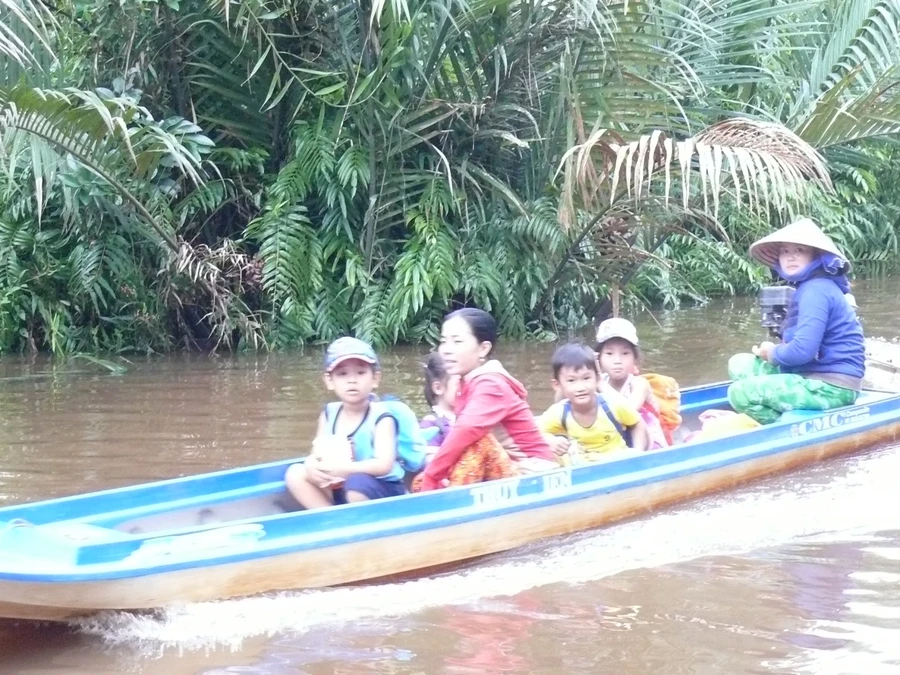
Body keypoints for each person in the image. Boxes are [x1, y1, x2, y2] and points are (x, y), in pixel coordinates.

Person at [727, 217, 865, 424]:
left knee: (740, 393)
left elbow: (802, 351)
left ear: (816, 257)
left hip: (832, 387)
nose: (790, 257)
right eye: (785, 251)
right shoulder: (810, 287)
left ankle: (781, 427)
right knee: (739, 364)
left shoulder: (816, 290)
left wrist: (771, 353)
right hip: (810, 373)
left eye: (799, 250)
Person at [418, 308, 559, 491]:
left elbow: (466, 430)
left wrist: (433, 474)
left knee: (477, 441)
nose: (446, 350)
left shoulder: (491, 384)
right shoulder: (465, 382)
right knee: (419, 480)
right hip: (505, 468)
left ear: (483, 348)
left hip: (533, 472)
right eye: (444, 342)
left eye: (457, 342)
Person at [284, 337, 407, 508]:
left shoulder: (382, 417)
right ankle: (331, 518)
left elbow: (384, 465)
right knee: (295, 473)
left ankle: (355, 521)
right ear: (329, 381)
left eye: (360, 373)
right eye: (342, 374)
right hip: (340, 483)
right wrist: (312, 465)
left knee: (356, 484)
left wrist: (346, 468)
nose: (352, 380)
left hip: (379, 489)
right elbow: (317, 452)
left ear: (375, 379)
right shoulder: (329, 413)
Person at [412, 351, 516, 491]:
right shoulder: (431, 424)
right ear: (438, 388)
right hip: (449, 482)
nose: (468, 389)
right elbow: (431, 462)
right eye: (460, 383)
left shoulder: (472, 418)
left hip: (478, 477)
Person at [538, 343, 648, 462]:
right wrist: (549, 440)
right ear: (557, 385)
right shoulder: (559, 412)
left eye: (586, 378)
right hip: (581, 464)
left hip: (616, 461)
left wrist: (638, 453)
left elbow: (637, 422)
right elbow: (533, 432)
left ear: (597, 379)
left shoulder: (612, 405)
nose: (580, 387)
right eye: (571, 380)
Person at [594, 318, 669, 448]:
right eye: (609, 353)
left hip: (649, 444)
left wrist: (600, 384)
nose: (617, 360)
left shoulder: (639, 384)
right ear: (599, 357)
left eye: (625, 353)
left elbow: (628, 411)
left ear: (634, 358)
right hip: (613, 440)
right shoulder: (598, 382)